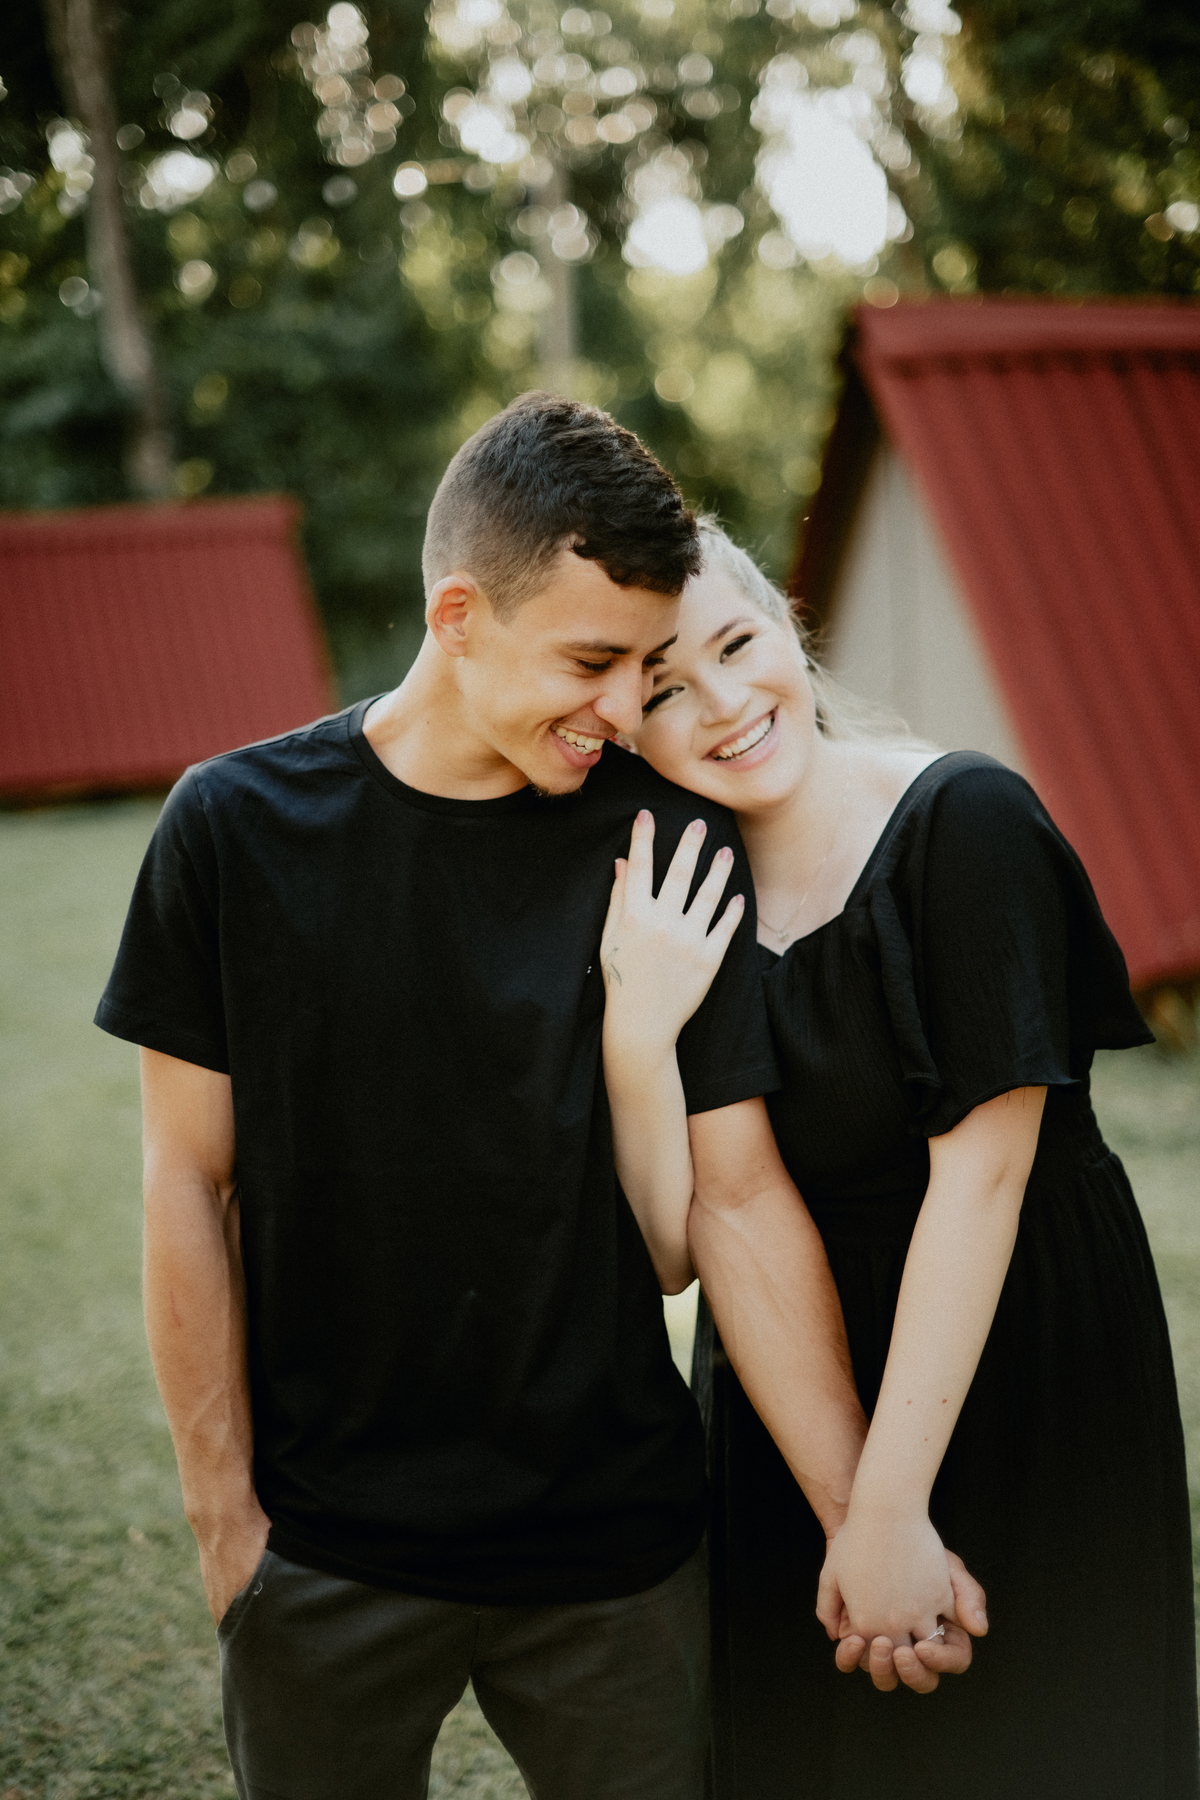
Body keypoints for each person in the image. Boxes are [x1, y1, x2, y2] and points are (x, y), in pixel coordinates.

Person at [94, 397, 893, 1800]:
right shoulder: (230, 830)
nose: (624, 710)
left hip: (618, 1558)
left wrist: (859, 1519)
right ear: (457, 614)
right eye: (590, 661)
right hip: (326, 1556)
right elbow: (186, 1182)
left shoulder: (666, 839)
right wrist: (227, 1528)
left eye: (644, 664)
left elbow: (736, 1194)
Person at [598, 519, 1199, 1799]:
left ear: (788, 624)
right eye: (662, 689)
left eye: (735, 645)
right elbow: (721, 1210)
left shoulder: (966, 819)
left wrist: (891, 1514)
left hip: (1011, 1344)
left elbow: (983, 1179)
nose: (722, 704)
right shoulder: (678, 889)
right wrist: (849, 1522)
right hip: (791, 1379)